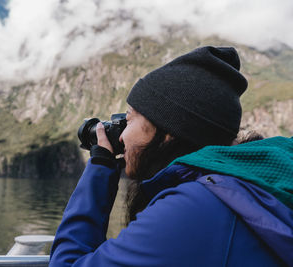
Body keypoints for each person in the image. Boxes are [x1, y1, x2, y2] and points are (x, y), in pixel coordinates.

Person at [49, 46, 293, 266]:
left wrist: (100, 166)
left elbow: (66, 264)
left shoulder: (192, 209)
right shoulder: (245, 185)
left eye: (130, 118)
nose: (121, 136)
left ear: (168, 133)